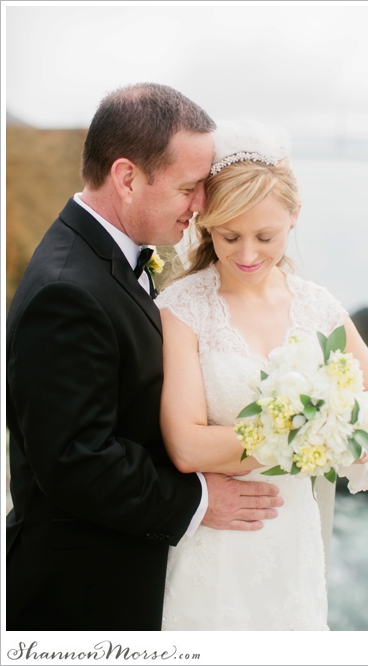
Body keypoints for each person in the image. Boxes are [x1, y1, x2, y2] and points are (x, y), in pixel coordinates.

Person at [5, 84, 284, 631]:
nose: (202, 204)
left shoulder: (108, 253)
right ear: (127, 177)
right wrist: (199, 500)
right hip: (79, 597)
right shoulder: (67, 290)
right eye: (189, 187)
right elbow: (76, 461)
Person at [155, 120, 368, 630]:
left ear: (294, 217)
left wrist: (349, 422)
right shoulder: (181, 308)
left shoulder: (317, 305)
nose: (247, 255)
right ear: (206, 225)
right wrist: (301, 436)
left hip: (293, 537)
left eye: (265, 236)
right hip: (217, 543)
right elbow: (186, 445)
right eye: (229, 236)